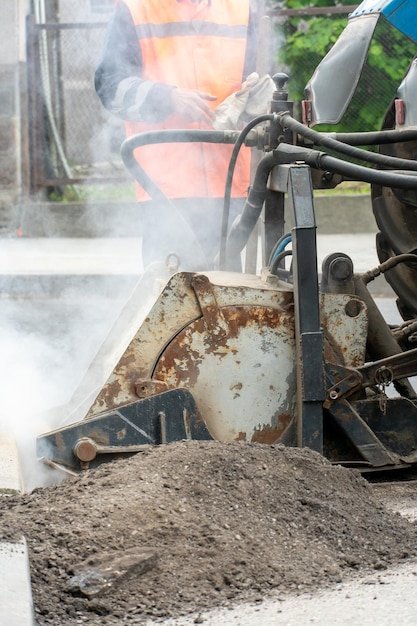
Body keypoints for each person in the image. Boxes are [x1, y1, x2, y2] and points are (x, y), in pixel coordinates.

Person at [95, 0, 258, 270]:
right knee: (172, 294)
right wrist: (167, 97)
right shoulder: (136, 9)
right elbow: (110, 86)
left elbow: (246, 80)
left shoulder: (239, 8)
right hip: (166, 185)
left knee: (228, 295)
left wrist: (254, 98)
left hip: (226, 179)